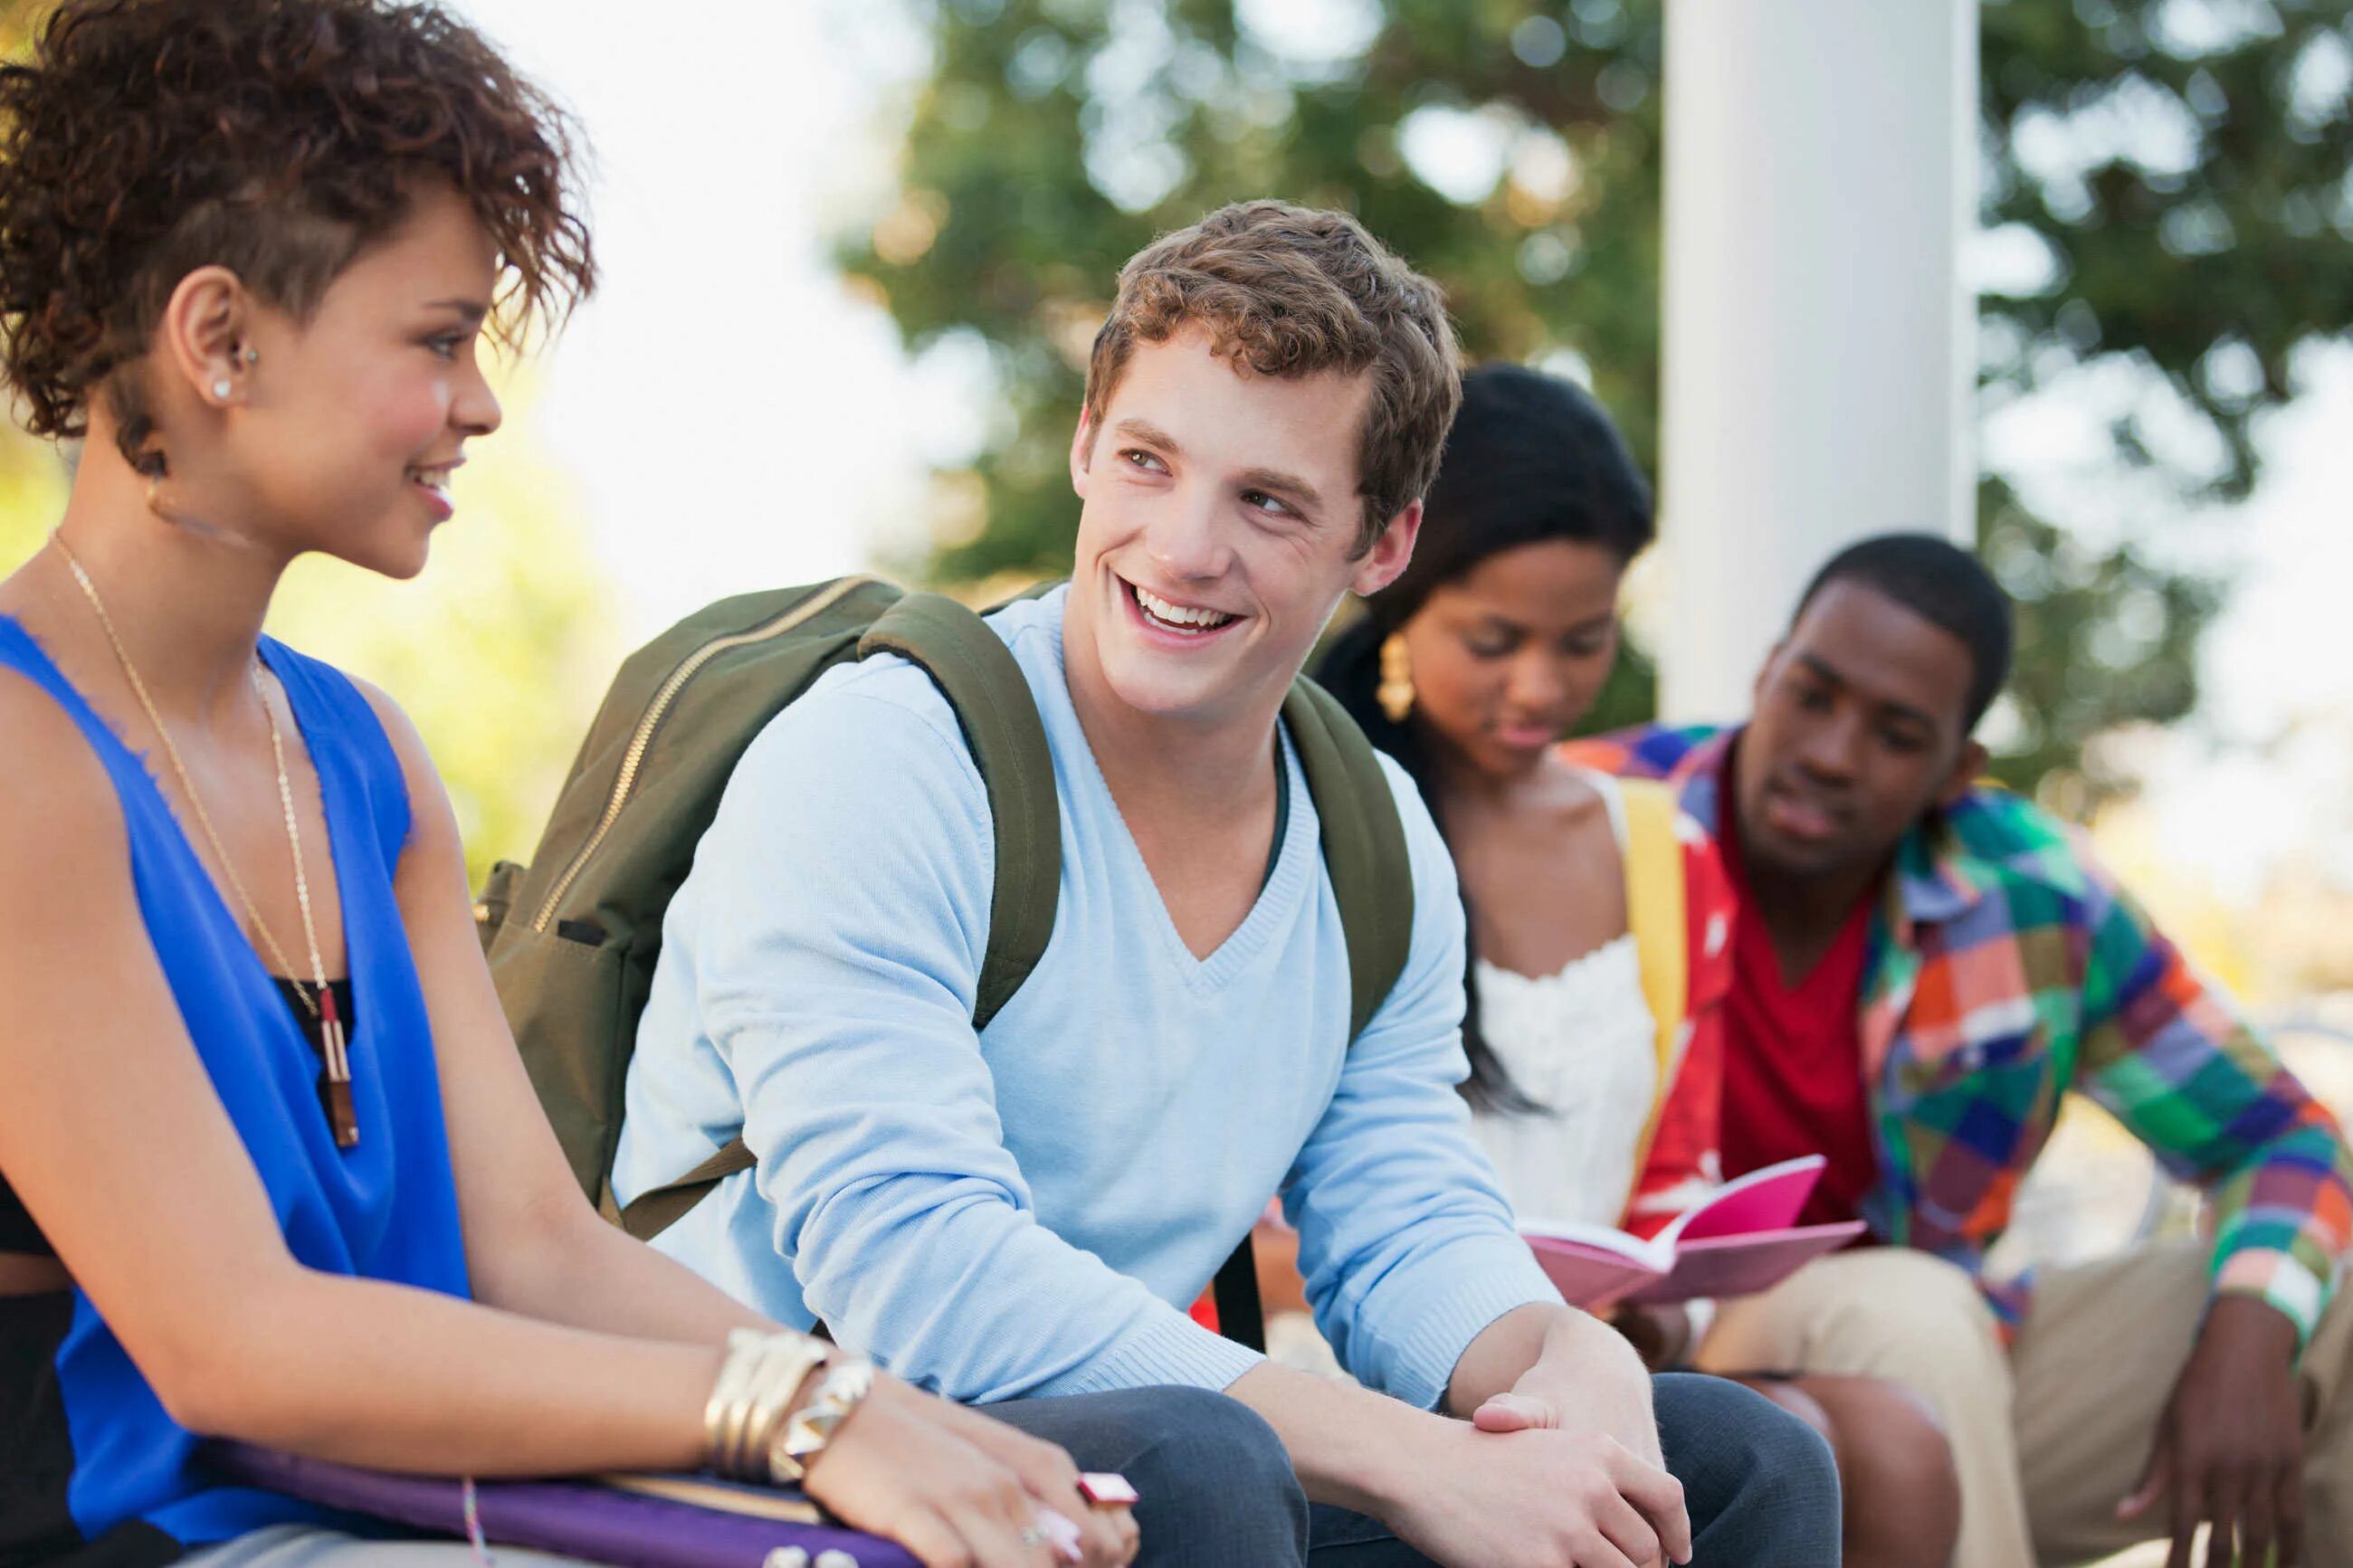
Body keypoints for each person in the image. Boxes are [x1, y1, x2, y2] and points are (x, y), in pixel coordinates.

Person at [0, 5, 1279, 1565]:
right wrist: (799, 1414)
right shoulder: (25, 751)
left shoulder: (357, 755)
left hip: (427, 1500)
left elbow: (536, 1245)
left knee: (1152, 1480)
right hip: (181, 1531)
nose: (477, 402)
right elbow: (235, 1342)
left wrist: (886, 1409)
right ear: (219, 342)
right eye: (436, 336)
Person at [618, 200, 1843, 1568]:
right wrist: (1406, 1456)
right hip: (789, 1468)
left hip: (1129, 1480)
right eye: (1148, 461)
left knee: (1733, 1461)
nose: (1185, 546)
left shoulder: (1371, 833)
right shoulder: (885, 757)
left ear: (1383, 546)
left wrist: (1563, 1361)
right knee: (1198, 1464)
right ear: (1087, 443)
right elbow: (918, 1273)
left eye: (1268, 501)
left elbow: (1403, 1224)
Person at [1566, 531, 2353, 1568]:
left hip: (1949, 1382)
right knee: (1910, 1309)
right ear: (1765, 673)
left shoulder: (2027, 892)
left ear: (1955, 769)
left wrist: (2249, 1336)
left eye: (1894, 733)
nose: (1830, 752)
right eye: (1810, 694)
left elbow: (2281, 1137)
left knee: (2323, 1310)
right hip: (1652, 1352)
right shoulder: (1586, 817)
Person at [1313, 364, 1960, 1568]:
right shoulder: (1323, 817)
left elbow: (1678, 1162)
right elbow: (1260, 1200)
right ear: (1399, 587)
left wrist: (1663, 1301)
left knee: (1889, 1436)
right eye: (1494, 640)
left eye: (1585, 641)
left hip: (1594, 1351)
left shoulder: (1665, 851)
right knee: (1781, 1438)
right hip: (1358, 1346)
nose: (1543, 688)